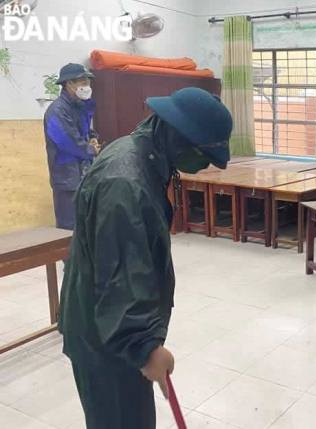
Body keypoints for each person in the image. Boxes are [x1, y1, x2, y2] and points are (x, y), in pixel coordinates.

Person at [58, 87, 232, 429]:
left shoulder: (143, 156)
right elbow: (121, 272)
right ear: (178, 136)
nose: (201, 165)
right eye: (200, 154)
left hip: (112, 329)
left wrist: (143, 344)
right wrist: (143, 347)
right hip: (105, 338)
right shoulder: (125, 181)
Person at [44, 63, 101, 230]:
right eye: (82, 82)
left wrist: (92, 138)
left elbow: (83, 131)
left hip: (83, 173)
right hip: (67, 178)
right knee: (69, 228)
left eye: (88, 82)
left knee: (86, 224)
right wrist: (90, 149)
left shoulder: (79, 106)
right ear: (69, 83)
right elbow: (66, 140)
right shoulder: (56, 111)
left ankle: (85, 256)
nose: (87, 86)